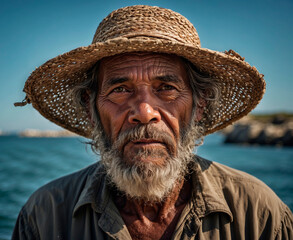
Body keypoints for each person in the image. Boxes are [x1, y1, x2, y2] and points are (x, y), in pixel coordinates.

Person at [13, 5, 292, 240]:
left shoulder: (260, 213)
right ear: (91, 107)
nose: (145, 112)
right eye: (120, 89)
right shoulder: (45, 216)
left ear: (199, 104)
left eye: (166, 88)